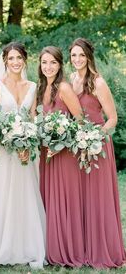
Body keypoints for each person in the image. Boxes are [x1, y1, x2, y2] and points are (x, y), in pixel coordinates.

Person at [0, 42, 46, 270]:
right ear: (5, 61)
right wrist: (7, 139)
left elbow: (33, 119)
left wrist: (29, 143)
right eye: (11, 58)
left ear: (25, 60)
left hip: (25, 152)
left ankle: (27, 245)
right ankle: (0, 245)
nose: (15, 62)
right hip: (2, 153)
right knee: (2, 195)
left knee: (25, 196)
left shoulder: (33, 86)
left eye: (19, 58)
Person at [69, 37, 125, 268]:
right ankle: (84, 248)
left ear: (89, 56)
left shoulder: (98, 82)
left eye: (81, 55)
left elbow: (113, 119)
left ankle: (103, 250)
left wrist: (93, 139)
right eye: (73, 55)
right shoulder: (72, 79)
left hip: (97, 146)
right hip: (77, 147)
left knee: (97, 198)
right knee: (81, 198)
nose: (77, 59)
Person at [38, 46, 85, 267]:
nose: (48, 67)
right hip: (45, 154)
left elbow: (80, 119)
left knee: (63, 201)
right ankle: (52, 248)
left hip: (63, 154)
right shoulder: (41, 88)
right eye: (44, 62)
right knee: (48, 198)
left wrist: (62, 143)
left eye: (53, 63)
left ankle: (67, 249)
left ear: (60, 65)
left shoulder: (64, 88)